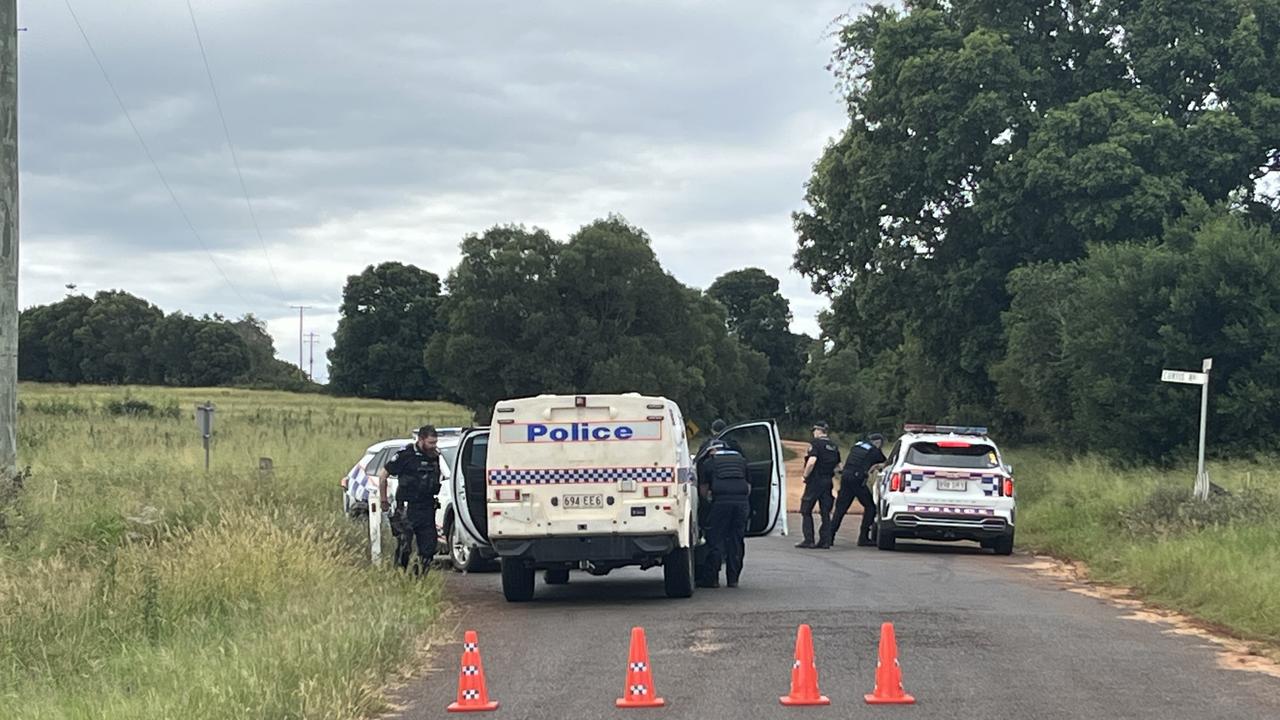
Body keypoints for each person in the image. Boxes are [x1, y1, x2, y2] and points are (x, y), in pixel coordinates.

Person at [378, 425, 447, 575]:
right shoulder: (405, 455)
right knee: (405, 546)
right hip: (407, 508)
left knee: (429, 547)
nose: (433, 446)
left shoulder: (434, 456)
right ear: (421, 439)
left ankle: (420, 578)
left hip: (427, 507)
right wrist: (384, 500)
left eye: (435, 442)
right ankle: (400, 574)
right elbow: (383, 475)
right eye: (430, 442)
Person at [697, 439, 752, 588]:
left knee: (716, 539)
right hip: (741, 504)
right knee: (736, 540)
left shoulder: (709, 463)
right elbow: (748, 487)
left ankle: (712, 579)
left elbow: (703, 490)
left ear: (711, 451)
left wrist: (707, 504)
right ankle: (733, 579)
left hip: (720, 503)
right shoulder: (742, 461)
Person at [828, 432, 887, 547]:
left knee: (840, 509)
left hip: (845, 477)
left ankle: (829, 537)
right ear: (878, 443)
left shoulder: (857, 445)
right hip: (857, 480)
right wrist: (877, 467)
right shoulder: (874, 450)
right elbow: (884, 463)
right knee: (870, 507)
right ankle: (863, 538)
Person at [796, 422, 841, 549]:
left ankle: (808, 540)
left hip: (815, 481)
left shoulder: (815, 444)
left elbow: (811, 462)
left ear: (818, 431)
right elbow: (839, 466)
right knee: (825, 512)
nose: (813, 433)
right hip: (828, 482)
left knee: (806, 510)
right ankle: (825, 541)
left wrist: (805, 476)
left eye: (814, 430)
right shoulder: (833, 446)